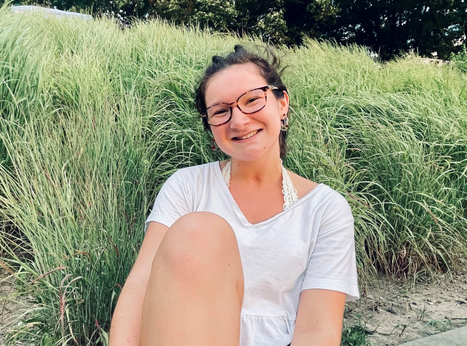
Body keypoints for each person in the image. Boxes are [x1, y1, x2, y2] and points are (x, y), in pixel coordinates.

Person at [109, 45, 360, 346]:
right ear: (210, 128)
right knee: (198, 231)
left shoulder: (325, 209)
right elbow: (142, 283)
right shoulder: (187, 187)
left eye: (253, 100)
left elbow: (318, 332)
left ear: (282, 104)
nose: (238, 121)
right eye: (221, 111)